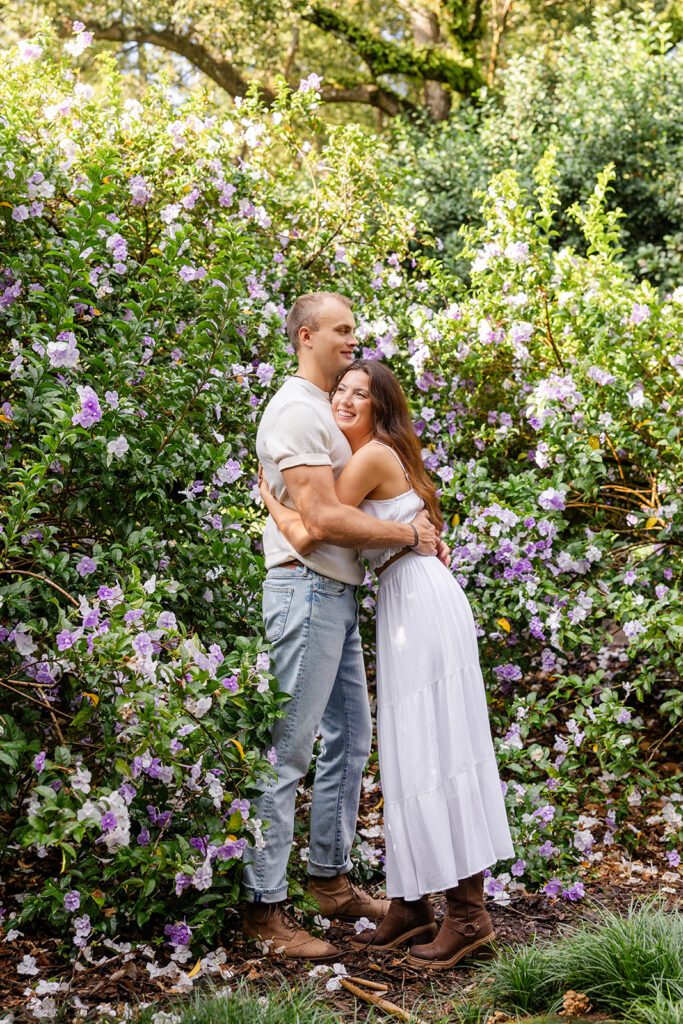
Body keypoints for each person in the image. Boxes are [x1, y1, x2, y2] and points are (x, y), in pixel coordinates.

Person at [259, 358, 515, 971]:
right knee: (408, 747)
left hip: (418, 604)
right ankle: (408, 906)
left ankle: (468, 914)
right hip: (410, 599)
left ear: (381, 407)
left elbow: (314, 531)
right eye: (339, 391)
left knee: (436, 746)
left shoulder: (372, 455)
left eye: (360, 395)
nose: (344, 402)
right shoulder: (376, 455)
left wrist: (271, 500)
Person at [241, 293, 440, 961]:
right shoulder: (295, 410)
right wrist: (405, 534)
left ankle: (330, 881)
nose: (352, 340)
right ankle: (264, 912)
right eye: (342, 330)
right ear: (306, 335)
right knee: (289, 750)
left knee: (350, 740)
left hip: (332, 591)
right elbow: (321, 521)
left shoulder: (318, 411)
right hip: (304, 593)